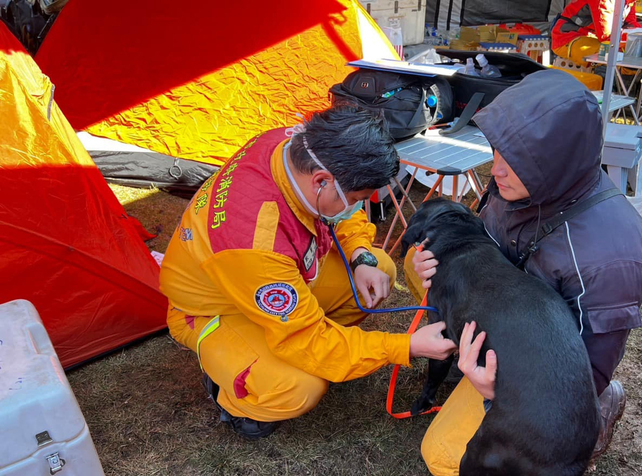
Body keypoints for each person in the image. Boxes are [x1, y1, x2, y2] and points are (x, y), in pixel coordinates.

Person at [405, 69, 642, 476]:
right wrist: (428, 262)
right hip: (503, 312)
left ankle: (598, 415)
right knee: (419, 266)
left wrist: (497, 392)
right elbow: (479, 240)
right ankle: (460, 352)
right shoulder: (519, 184)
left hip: (539, 362)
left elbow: (587, 370)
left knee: (445, 457)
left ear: (555, 161)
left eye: (515, 159)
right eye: (497, 151)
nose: (497, 169)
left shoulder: (612, 257)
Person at [160, 105, 456, 439]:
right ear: (321, 181)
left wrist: (360, 256)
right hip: (212, 309)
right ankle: (232, 395)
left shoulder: (297, 146)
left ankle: (331, 350)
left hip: (272, 274)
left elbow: (343, 214)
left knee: (380, 267)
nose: (358, 206)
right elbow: (305, 339)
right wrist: (406, 346)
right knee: (299, 387)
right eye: (357, 198)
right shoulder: (255, 244)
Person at [551, 0, 639, 67]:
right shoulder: (603, 1)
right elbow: (606, 35)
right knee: (608, 54)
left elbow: (632, 25)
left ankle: (626, 85)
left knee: (632, 50)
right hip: (568, 37)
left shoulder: (630, 1)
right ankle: (606, 86)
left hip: (593, 37)